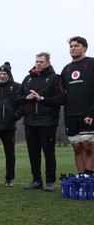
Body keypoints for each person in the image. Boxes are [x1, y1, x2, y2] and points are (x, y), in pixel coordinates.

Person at [16, 52, 65, 192]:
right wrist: (27, 97)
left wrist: (41, 98)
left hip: (47, 122)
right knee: (33, 153)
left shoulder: (55, 78)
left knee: (49, 153)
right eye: (37, 61)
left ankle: (50, 181)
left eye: (41, 62)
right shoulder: (28, 79)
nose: (38, 64)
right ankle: (36, 180)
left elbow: (61, 99)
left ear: (48, 63)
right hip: (30, 122)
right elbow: (17, 98)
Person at [61, 36, 94, 177]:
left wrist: (92, 113)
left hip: (88, 112)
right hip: (70, 114)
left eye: (76, 45)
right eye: (71, 46)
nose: (73, 48)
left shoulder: (92, 63)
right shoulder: (66, 69)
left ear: (85, 48)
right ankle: (81, 177)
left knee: (89, 146)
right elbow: (61, 93)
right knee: (77, 147)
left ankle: (90, 176)